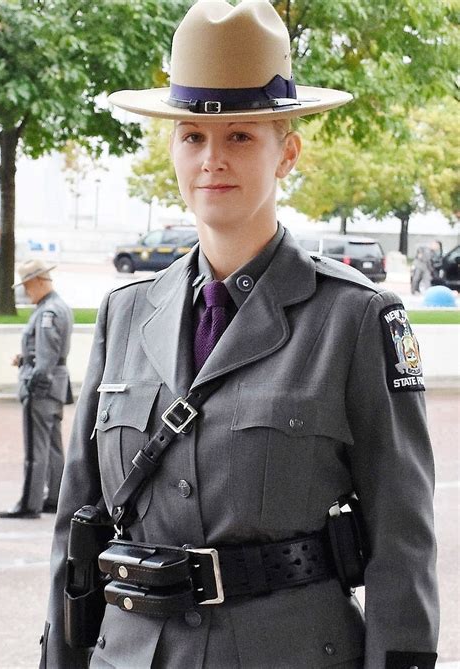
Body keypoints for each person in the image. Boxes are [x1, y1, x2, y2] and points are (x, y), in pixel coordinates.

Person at [40, 2, 439, 668]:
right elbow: (77, 525)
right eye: (192, 136)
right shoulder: (126, 312)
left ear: (289, 151)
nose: (211, 159)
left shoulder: (353, 319)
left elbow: (404, 542)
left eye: (241, 137)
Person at [0, 259, 73, 519]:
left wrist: (33, 386)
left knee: (35, 449)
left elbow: (47, 357)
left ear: (39, 282)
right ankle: (55, 498)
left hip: (42, 388)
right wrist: (24, 358)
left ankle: (29, 505)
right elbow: (47, 352)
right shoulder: (59, 307)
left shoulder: (47, 313)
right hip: (56, 386)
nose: (27, 293)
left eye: (28, 287)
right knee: (52, 446)